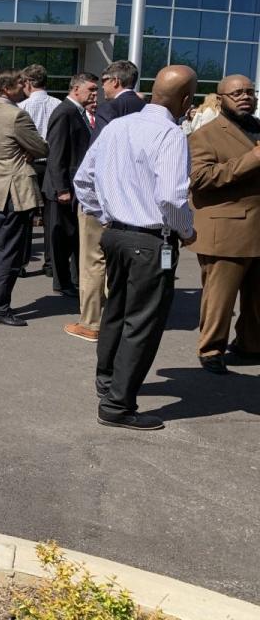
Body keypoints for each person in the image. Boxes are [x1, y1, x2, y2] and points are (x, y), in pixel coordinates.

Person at [74, 65, 198, 431]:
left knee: (117, 309)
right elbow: (171, 197)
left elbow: (84, 180)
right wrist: (187, 231)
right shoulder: (170, 134)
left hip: (114, 233)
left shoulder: (116, 126)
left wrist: (105, 212)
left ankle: (107, 379)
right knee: (143, 320)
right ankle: (117, 404)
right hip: (149, 237)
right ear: (187, 100)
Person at [65, 60, 145, 343]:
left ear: (115, 81)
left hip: (103, 196)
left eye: (103, 81)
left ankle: (91, 322)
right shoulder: (144, 110)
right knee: (117, 262)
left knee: (93, 259)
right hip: (133, 199)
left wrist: (87, 196)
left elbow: (96, 157)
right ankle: (117, 316)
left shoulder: (109, 110)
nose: (101, 88)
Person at [187, 74, 260, 374]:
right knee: (220, 298)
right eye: (237, 93)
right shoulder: (205, 136)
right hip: (227, 230)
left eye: (250, 92)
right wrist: (252, 159)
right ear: (221, 100)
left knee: (257, 297)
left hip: (257, 228)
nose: (245, 96)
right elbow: (200, 179)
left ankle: (250, 345)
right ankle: (211, 350)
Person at [0, 69, 49, 326]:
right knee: (9, 253)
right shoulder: (16, 115)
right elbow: (41, 147)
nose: (25, 86)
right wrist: (29, 151)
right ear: (6, 89)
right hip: (14, 190)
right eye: (20, 83)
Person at [43, 73, 98, 298]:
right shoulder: (64, 112)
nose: (95, 94)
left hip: (74, 187)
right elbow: (56, 154)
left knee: (72, 235)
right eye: (91, 90)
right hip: (62, 188)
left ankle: (72, 279)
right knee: (60, 237)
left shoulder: (78, 112)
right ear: (76, 89)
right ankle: (62, 281)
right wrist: (62, 189)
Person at [19, 64, 62, 277]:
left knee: (25, 215)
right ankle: (52, 264)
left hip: (30, 163)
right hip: (53, 165)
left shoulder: (23, 107)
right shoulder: (59, 105)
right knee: (51, 218)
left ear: (28, 83)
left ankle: (20, 264)